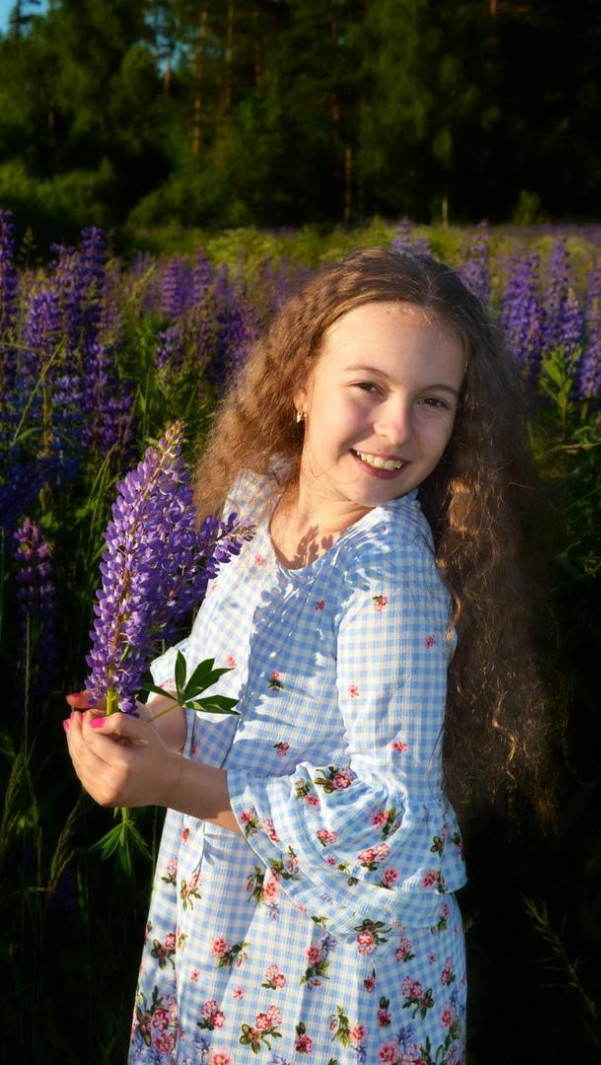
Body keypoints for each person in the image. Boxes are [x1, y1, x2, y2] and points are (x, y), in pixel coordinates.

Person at [65, 247, 556, 1065]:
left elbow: (391, 819)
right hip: (224, 907)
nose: (395, 428)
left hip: (325, 971)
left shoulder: (388, 580)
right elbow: (219, 657)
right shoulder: (263, 494)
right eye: (368, 386)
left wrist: (172, 782)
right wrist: (155, 722)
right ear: (299, 384)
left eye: (433, 401)